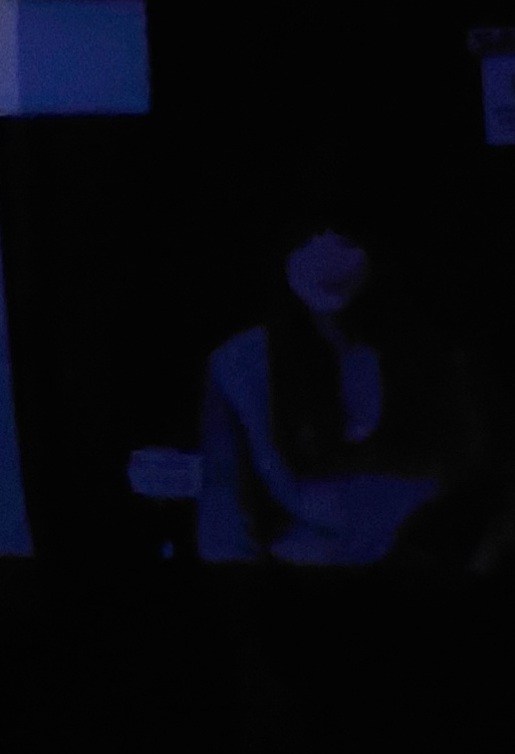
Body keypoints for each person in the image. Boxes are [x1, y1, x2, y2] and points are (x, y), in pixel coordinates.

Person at [195, 200, 489, 564]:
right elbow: (222, 508)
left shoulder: (437, 358)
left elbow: (468, 473)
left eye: (346, 237)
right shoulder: (240, 364)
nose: (327, 252)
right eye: (313, 235)